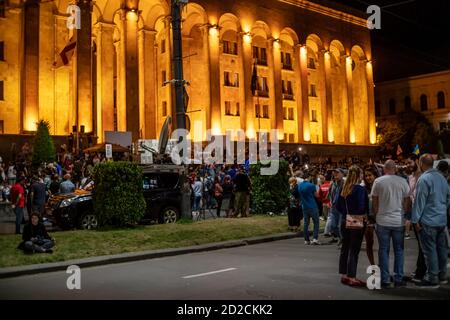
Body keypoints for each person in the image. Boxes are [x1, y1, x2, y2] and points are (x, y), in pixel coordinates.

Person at [412, 154, 450, 289]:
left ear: (421, 164)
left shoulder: (424, 179)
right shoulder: (442, 179)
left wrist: (415, 220)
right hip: (441, 220)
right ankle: (442, 275)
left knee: (430, 251)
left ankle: (432, 277)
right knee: (442, 250)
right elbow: (447, 199)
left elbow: (419, 201)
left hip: (428, 221)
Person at [372, 160, 410, 288]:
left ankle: (385, 279)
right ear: (396, 169)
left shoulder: (378, 181)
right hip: (398, 220)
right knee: (399, 250)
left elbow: (375, 201)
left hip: (382, 220)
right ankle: (398, 278)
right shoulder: (403, 182)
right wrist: (403, 214)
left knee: (383, 250)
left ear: (384, 169)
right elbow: (407, 201)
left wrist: (377, 214)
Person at [336, 165, 368, 287]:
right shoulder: (360, 189)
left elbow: (337, 205)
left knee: (345, 248)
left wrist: (346, 213)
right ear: (358, 175)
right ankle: (352, 276)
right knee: (354, 250)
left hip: (345, 219)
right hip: (356, 220)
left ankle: (344, 275)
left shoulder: (343, 188)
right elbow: (361, 207)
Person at [405, 153, 426, 282]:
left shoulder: (423, 177)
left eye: (409, 162)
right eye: (406, 163)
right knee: (421, 244)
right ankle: (420, 270)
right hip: (413, 213)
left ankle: (421, 272)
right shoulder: (410, 176)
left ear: (417, 161)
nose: (408, 165)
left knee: (423, 244)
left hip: (422, 214)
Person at [362, 165, 379, 266]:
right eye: (366, 175)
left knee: (383, 245)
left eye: (370, 175)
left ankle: (383, 266)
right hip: (368, 219)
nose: (368, 177)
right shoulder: (363, 189)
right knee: (369, 244)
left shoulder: (380, 186)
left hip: (380, 219)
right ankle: (373, 266)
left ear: (375, 175)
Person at [297, 171, 320, 245]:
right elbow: (316, 195)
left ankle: (306, 240)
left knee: (306, 223)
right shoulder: (311, 185)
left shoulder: (299, 186)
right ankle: (315, 239)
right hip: (312, 206)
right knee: (316, 223)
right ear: (309, 177)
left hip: (304, 206)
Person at [325, 168, 345, 245]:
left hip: (341, 208)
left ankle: (343, 240)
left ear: (342, 174)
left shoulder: (344, 183)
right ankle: (341, 237)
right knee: (332, 226)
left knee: (340, 226)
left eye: (337, 173)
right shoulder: (332, 183)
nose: (335, 174)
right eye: (334, 173)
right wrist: (328, 201)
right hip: (333, 208)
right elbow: (329, 195)